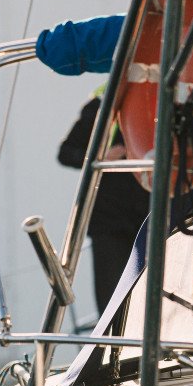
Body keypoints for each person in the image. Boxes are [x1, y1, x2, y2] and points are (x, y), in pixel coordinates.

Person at [58, 91, 149, 316]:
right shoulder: (100, 106)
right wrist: (101, 157)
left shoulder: (159, 105)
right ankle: (111, 345)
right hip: (109, 222)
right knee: (111, 299)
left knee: (148, 295)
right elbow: (65, 153)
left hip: (149, 220)